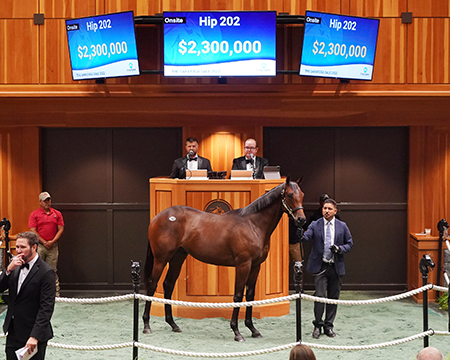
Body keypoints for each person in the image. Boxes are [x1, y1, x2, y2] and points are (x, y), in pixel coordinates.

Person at [301, 198, 353, 339]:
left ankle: (328, 326)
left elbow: (350, 244)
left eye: (329, 209)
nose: (327, 211)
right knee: (319, 297)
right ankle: (317, 325)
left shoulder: (342, 226)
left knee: (333, 298)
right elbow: (306, 238)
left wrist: (339, 248)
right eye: (324, 208)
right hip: (321, 267)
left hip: (336, 267)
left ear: (335, 211)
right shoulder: (315, 224)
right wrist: (299, 231)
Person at [0, 231, 56, 360]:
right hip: (13, 330)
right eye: (17, 247)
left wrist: (34, 336)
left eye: (23, 247)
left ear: (34, 247)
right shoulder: (15, 265)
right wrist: (8, 270)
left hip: (33, 332)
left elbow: (46, 308)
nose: (19, 251)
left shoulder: (46, 272)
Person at [29, 191, 64, 297]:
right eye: (45, 201)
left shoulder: (57, 213)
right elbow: (32, 230)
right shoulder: (34, 214)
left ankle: (55, 293)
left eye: (48, 200)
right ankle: (37, 293)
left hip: (52, 247)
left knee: (52, 270)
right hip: (39, 246)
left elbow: (61, 229)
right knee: (37, 269)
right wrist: (44, 242)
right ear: (40, 202)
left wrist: (52, 242)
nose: (47, 202)